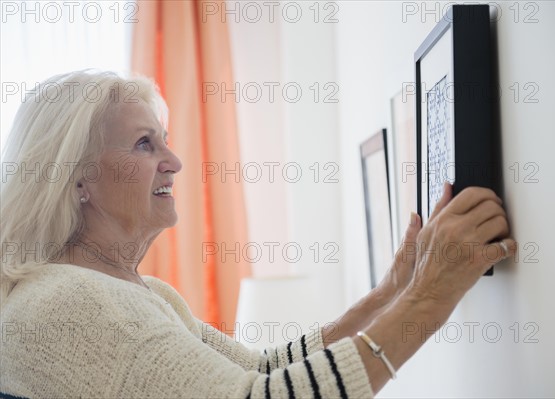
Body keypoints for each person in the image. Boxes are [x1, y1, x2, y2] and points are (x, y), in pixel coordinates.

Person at [0, 70, 515, 399]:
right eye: (143, 144)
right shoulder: (75, 302)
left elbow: (261, 369)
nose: (174, 162)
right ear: (78, 179)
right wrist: (430, 296)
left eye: (164, 142)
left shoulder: (136, 291)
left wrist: (388, 296)